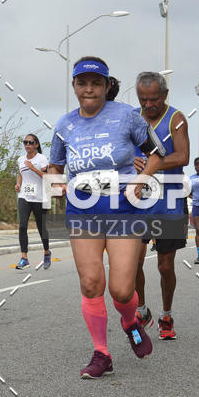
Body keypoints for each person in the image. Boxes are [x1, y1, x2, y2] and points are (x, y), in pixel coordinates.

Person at [48, 56, 166, 379]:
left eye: (96, 83)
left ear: (106, 85)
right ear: (74, 86)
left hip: (123, 209)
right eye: (82, 83)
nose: (89, 89)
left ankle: (130, 321)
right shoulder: (64, 125)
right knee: (90, 284)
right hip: (82, 209)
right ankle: (101, 353)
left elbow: (157, 153)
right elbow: (55, 168)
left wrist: (141, 181)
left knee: (122, 290)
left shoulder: (127, 116)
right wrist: (56, 184)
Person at [133, 71, 190, 340]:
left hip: (169, 201)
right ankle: (142, 309)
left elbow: (183, 156)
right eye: (143, 99)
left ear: (165, 95)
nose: (148, 105)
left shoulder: (175, 119)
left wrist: (150, 165)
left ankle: (166, 315)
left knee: (165, 266)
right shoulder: (132, 118)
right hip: (138, 200)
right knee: (132, 262)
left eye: (153, 99)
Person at [15, 133, 51, 270]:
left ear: (36, 144)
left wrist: (33, 168)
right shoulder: (20, 159)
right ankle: (24, 258)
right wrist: (18, 184)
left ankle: (47, 252)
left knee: (41, 227)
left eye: (30, 142)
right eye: (25, 142)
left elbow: (47, 176)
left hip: (39, 197)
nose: (27, 145)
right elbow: (20, 174)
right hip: (25, 195)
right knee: (22, 226)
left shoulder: (41, 159)